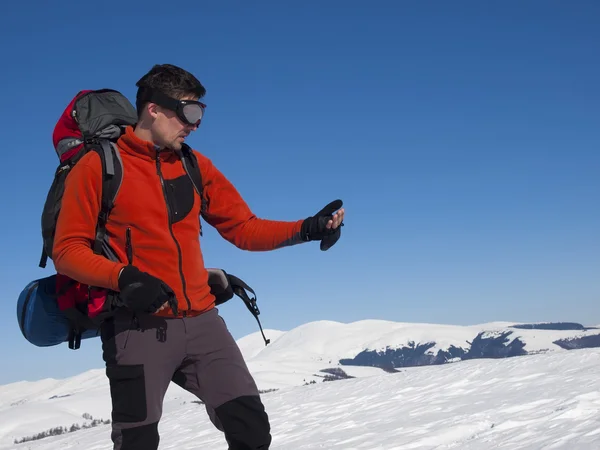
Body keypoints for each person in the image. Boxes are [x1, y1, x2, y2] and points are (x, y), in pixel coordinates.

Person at [51, 64, 345, 450]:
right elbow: (67, 250)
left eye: (201, 114)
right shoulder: (99, 167)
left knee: (252, 432)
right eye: (189, 113)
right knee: (136, 443)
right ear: (153, 109)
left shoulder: (194, 165)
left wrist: (307, 228)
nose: (195, 125)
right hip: (136, 329)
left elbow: (244, 228)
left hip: (204, 324)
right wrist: (123, 277)